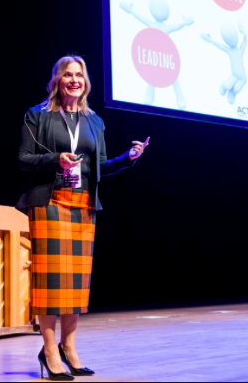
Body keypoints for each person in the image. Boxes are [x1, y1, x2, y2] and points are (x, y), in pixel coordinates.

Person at [16, 55, 149, 381]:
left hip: (84, 205)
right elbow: (23, 159)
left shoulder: (95, 122)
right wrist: (55, 159)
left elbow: (99, 166)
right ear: (57, 80)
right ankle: (49, 350)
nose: (74, 79)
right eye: (67, 74)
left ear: (85, 81)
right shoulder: (37, 115)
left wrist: (129, 158)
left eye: (79, 75)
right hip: (49, 204)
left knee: (75, 284)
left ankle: (69, 348)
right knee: (50, 284)